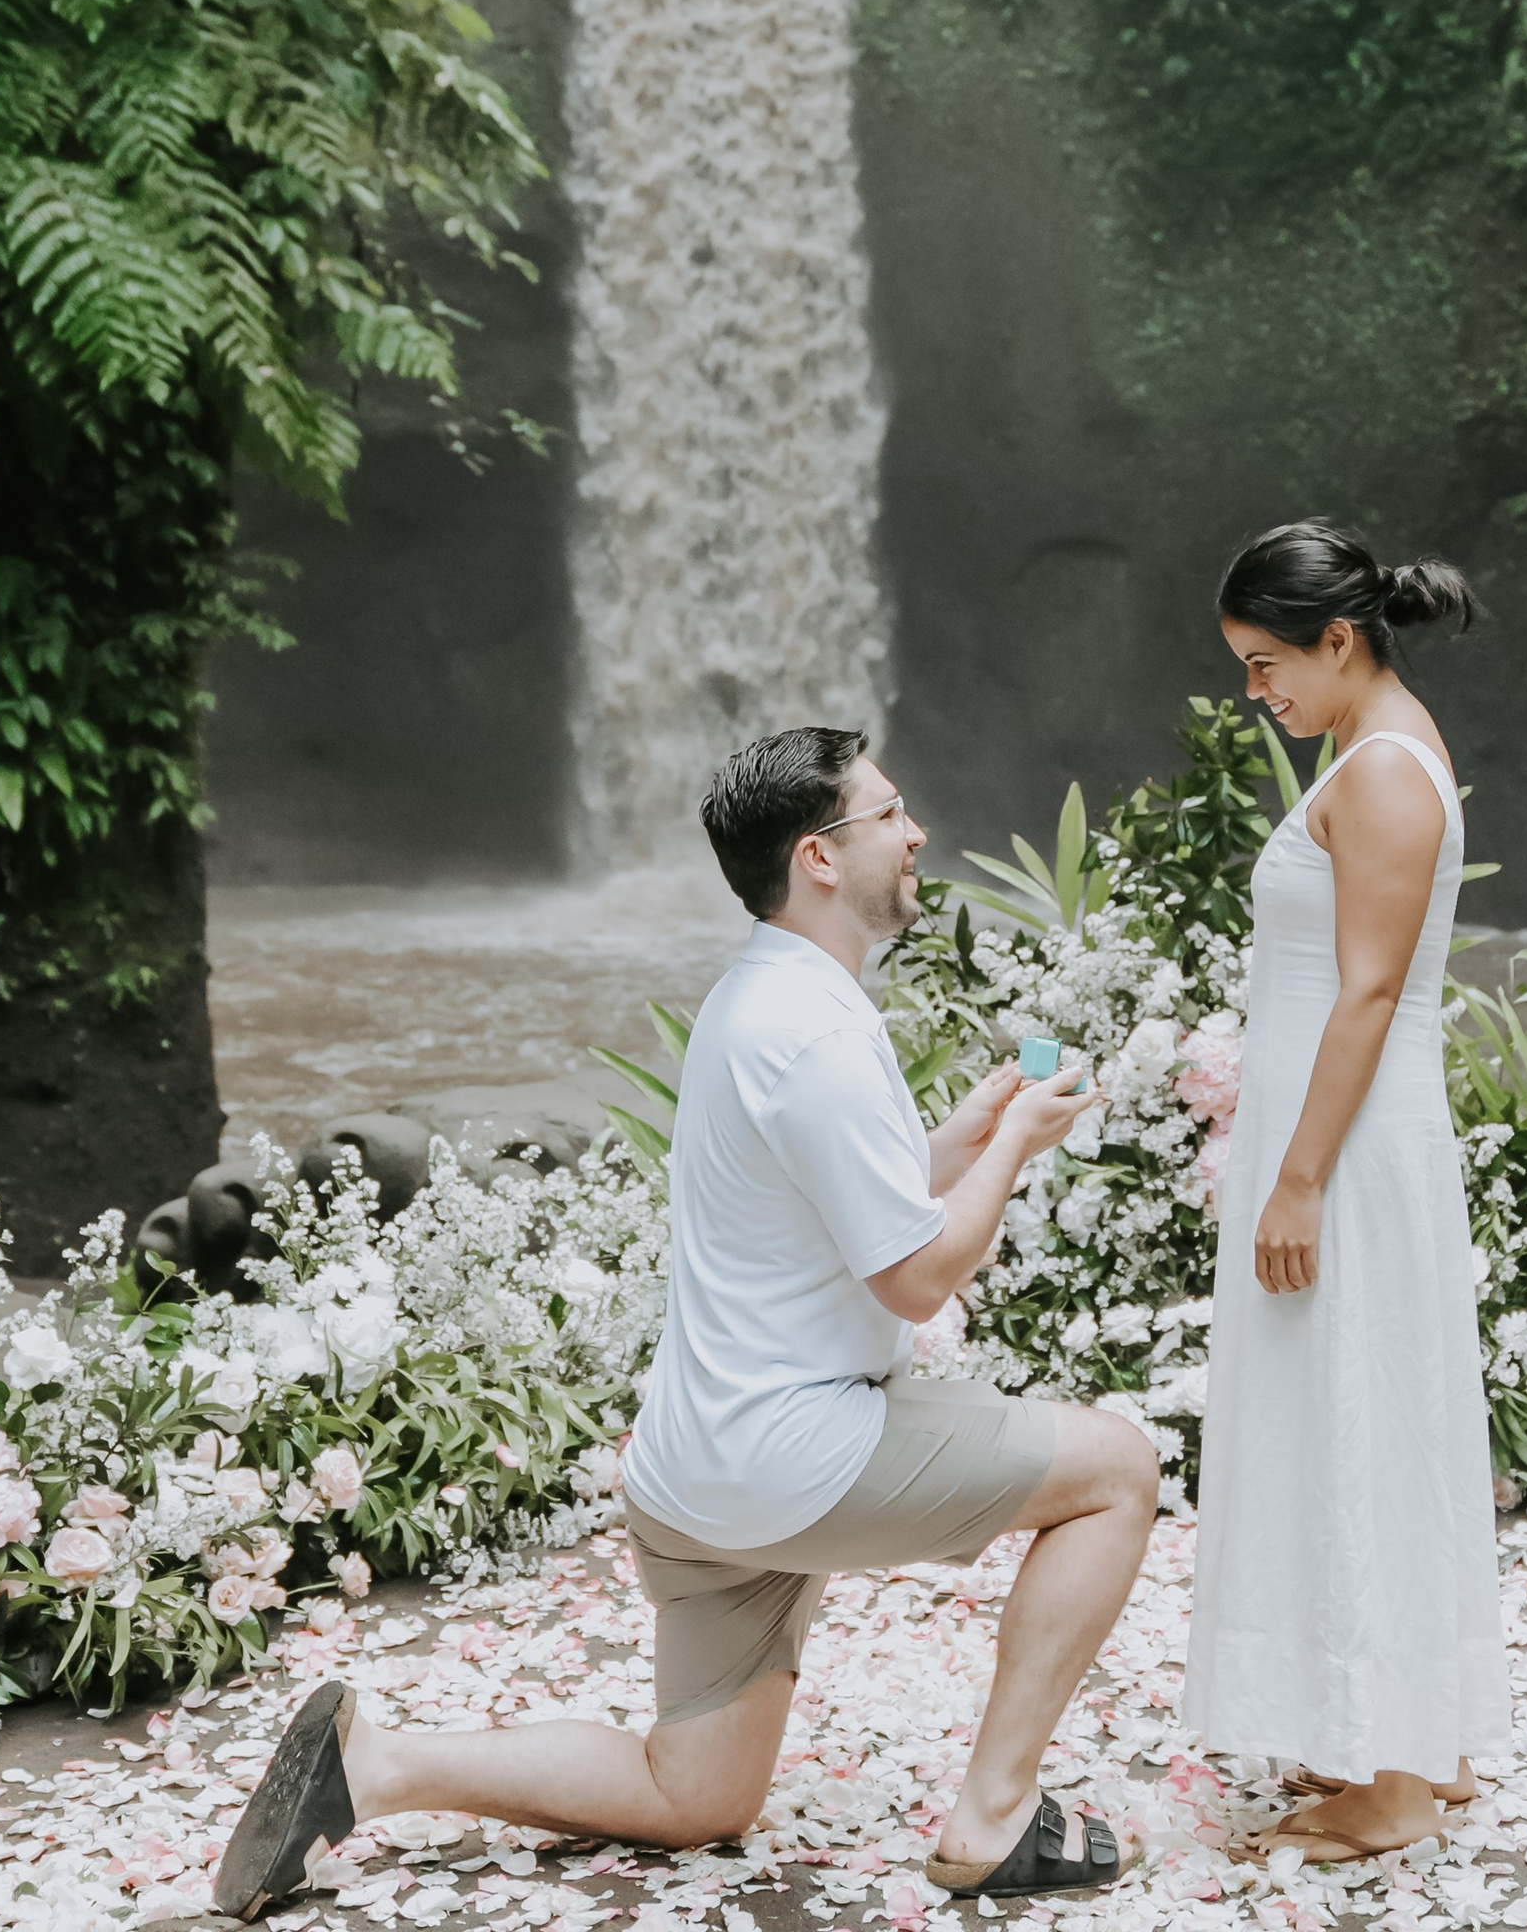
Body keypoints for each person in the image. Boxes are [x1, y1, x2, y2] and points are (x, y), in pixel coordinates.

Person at [215, 727, 1158, 1919]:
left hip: (694, 1469)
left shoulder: (757, 994)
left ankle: (379, 1760)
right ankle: (997, 1815)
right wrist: (1017, 1149)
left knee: (696, 1794)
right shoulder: (819, 1030)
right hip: (791, 1459)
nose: (917, 834)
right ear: (820, 857)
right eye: (893, 814)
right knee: (1119, 1468)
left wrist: (961, 1138)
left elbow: (834, 1211)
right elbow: (915, 1281)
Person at [1183, 521, 1514, 1862]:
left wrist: (1300, 1178)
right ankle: (1394, 1730)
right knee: (1348, 1414)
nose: (1258, 695)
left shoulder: (1381, 770)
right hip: (1341, 1129)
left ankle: (1392, 1782)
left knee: (1361, 1418)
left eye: (1269, 665)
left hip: (1355, 1146)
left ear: (1340, 639)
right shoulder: (1382, 748)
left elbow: (1372, 988)